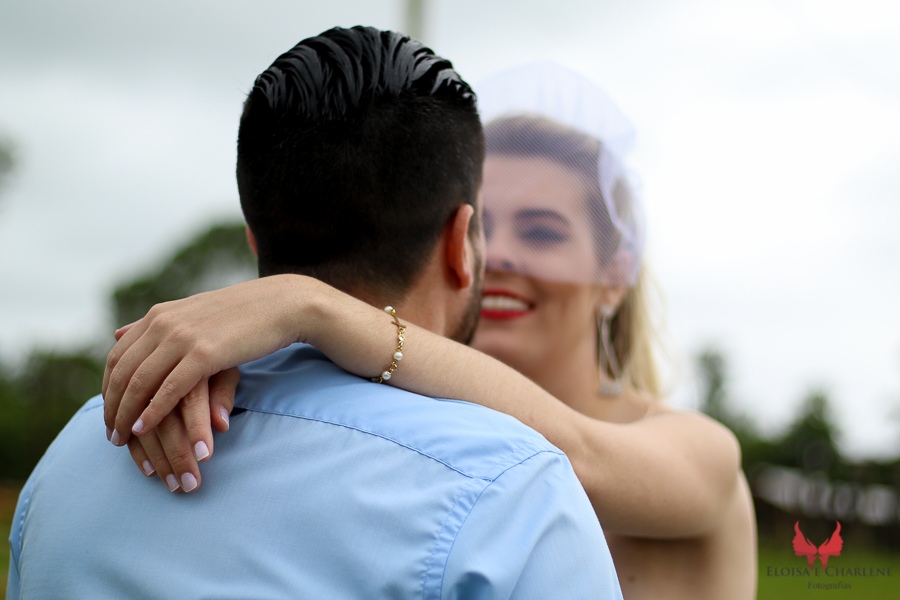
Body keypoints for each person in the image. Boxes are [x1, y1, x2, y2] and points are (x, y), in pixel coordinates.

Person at [99, 63, 758, 599]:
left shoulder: (699, 448)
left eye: (543, 232)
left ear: (615, 274)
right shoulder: (408, 429)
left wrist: (309, 304)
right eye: (483, 228)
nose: (499, 257)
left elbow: (578, 457)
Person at [7, 29, 623, 600]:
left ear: (254, 237)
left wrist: (307, 304)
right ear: (461, 242)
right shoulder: (513, 492)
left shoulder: (79, 454)